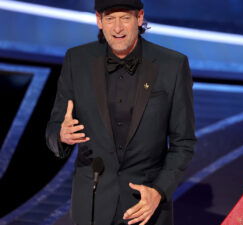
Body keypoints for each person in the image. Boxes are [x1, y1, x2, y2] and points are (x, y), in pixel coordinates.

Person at [45, 0, 196, 224]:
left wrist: (159, 191)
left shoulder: (172, 65)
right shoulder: (77, 60)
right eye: (110, 19)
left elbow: (183, 142)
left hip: (145, 205)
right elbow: (54, 127)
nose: (117, 28)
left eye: (125, 18)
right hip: (92, 205)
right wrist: (61, 135)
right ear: (99, 20)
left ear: (140, 17)